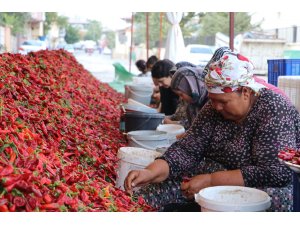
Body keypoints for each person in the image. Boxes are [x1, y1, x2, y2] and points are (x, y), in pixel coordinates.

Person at [124, 52, 300, 212]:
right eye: (213, 100)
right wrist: (150, 172)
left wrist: (211, 181)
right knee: (160, 187)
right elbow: (187, 149)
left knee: (273, 200)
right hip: (217, 174)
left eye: (223, 101)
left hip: (260, 186)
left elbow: (276, 173)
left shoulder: (273, 107)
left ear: (245, 92)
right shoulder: (212, 108)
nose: (216, 107)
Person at [164, 64, 208, 130]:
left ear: (191, 88)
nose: (181, 98)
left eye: (181, 94)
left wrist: (172, 123)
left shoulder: (209, 103)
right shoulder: (192, 105)